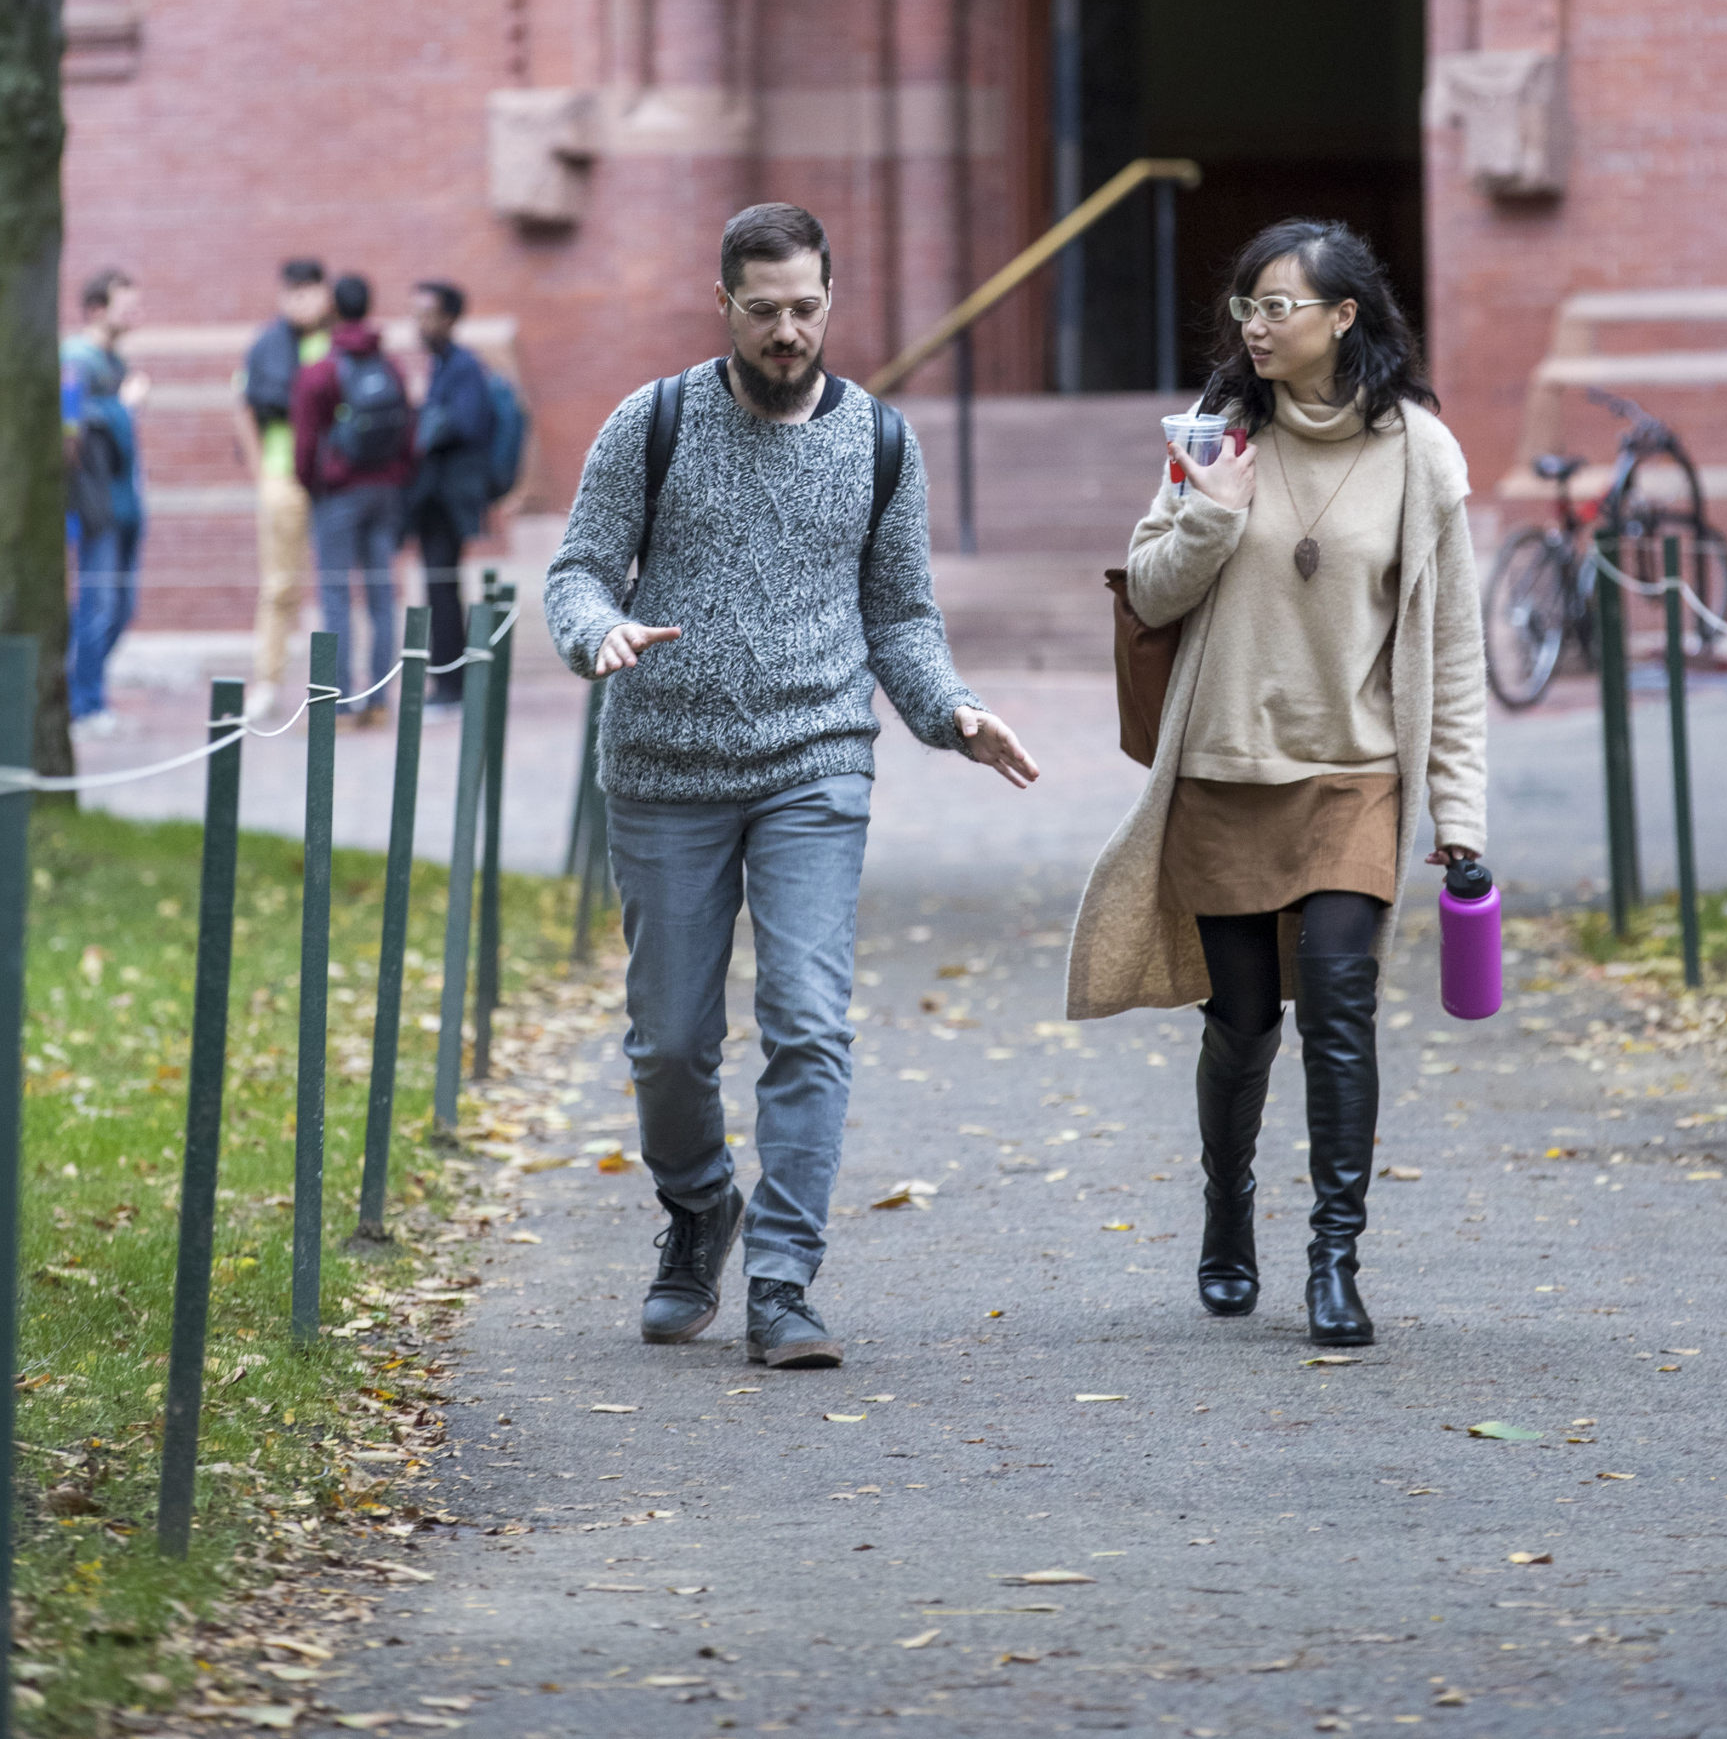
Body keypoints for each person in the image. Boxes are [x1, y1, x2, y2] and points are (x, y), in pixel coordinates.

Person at [544, 200, 1038, 1372]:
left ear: (831, 301)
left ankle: (780, 1279)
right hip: (665, 767)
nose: (785, 330)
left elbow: (900, 614)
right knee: (669, 1040)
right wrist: (596, 630)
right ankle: (698, 1203)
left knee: (808, 1023)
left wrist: (949, 709)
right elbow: (574, 569)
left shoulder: (880, 441)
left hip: (816, 762)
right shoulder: (651, 422)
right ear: (722, 303)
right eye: (761, 309)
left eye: (804, 307)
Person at [1065, 217, 1487, 1351]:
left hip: (1354, 773)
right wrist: (1211, 507)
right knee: (1243, 1020)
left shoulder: (1418, 451)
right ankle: (1226, 1206)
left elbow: (1449, 647)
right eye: (1247, 305)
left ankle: (1334, 1257)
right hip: (1222, 771)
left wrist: (1460, 811)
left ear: (1343, 316)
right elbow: (1148, 593)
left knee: (1341, 1014)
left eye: (1279, 305)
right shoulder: (1209, 438)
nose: (1255, 323)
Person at [291, 274, 414, 725]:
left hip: (338, 494)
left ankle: (337, 704)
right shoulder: (392, 367)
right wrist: (397, 476)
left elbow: (304, 444)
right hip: (385, 491)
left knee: (336, 596)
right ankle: (379, 702)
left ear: (335, 311)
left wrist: (312, 484)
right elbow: (409, 430)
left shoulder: (321, 371)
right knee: (382, 595)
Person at [234, 259, 334, 718]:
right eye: (293, 292)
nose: (301, 301)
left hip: (334, 479)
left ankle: (341, 682)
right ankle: (268, 681)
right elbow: (246, 408)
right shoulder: (266, 346)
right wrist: (261, 476)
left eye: (309, 291)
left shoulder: (337, 341)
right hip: (282, 477)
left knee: (338, 583)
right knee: (278, 586)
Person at [62, 268, 148, 734]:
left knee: (119, 606)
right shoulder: (78, 359)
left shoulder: (115, 361)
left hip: (125, 502)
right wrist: (126, 405)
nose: (135, 312)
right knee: (98, 605)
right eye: (125, 303)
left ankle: (85, 692)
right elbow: (72, 425)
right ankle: (84, 702)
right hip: (97, 505)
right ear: (97, 309)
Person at [404, 281, 495, 704]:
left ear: (449, 318)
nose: (419, 323)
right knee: (438, 586)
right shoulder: (442, 365)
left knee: (442, 585)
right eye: (415, 313)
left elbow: (469, 424)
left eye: (427, 313)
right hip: (433, 499)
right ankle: (445, 682)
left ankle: (449, 686)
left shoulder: (463, 367)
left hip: (446, 500)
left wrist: (428, 424)